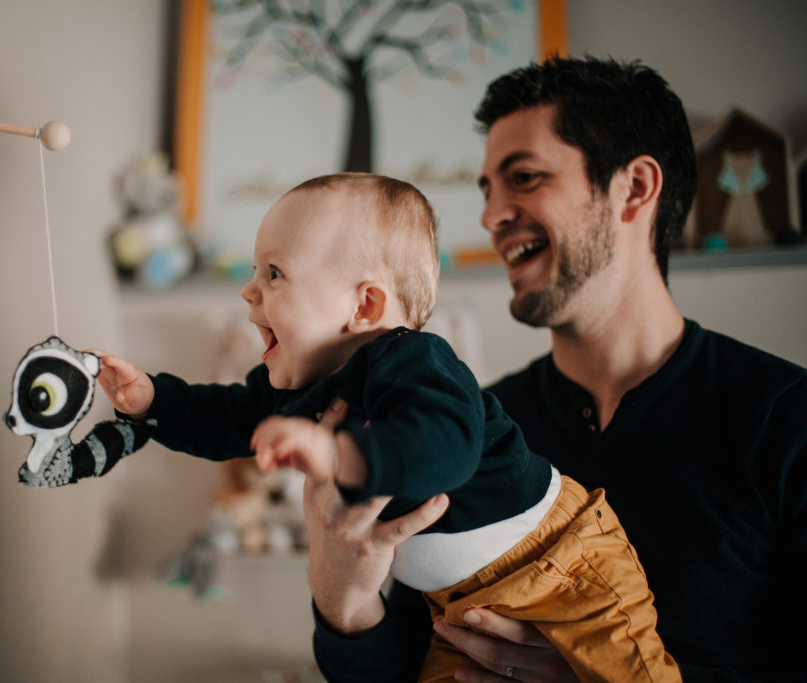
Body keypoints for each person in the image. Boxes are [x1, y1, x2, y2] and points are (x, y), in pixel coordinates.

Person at [309, 57, 807, 682]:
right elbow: (409, 662)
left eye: (523, 178)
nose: (491, 217)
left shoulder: (787, 418)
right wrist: (341, 601)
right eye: (488, 190)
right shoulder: (468, 428)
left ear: (634, 188)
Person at [96, 172, 678, 681]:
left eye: (274, 273)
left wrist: (339, 455)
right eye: (254, 271)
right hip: (459, 608)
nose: (249, 291)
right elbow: (225, 418)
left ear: (366, 307)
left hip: (563, 565)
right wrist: (153, 400)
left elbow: (445, 448)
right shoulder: (300, 388)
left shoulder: (415, 360)